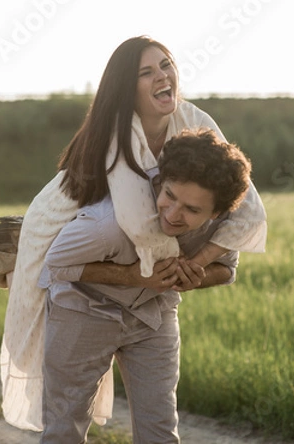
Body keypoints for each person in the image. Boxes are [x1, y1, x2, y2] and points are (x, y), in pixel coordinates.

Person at [0, 35, 267, 431]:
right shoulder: (116, 132)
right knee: (63, 420)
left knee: (160, 428)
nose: (163, 75)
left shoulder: (194, 121)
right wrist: (154, 273)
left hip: (150, 309)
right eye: (147, 72)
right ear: (127, 89)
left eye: (166, 64)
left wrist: (196, 265)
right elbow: (136, 218)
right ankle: (13, 258)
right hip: (67, 234)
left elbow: (248, 210)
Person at [38, 127, 251, 443]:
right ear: (160, 182)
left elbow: (227, 270)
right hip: (82, 310)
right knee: (64, 428)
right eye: (170, 196)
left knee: (160, 430)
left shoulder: (222, 228)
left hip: (153, 315)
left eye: (192, 210)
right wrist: (132, 276)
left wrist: (197, 277)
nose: (174, 214)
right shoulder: (105, 224)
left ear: (216, 212)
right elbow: (54, 265)